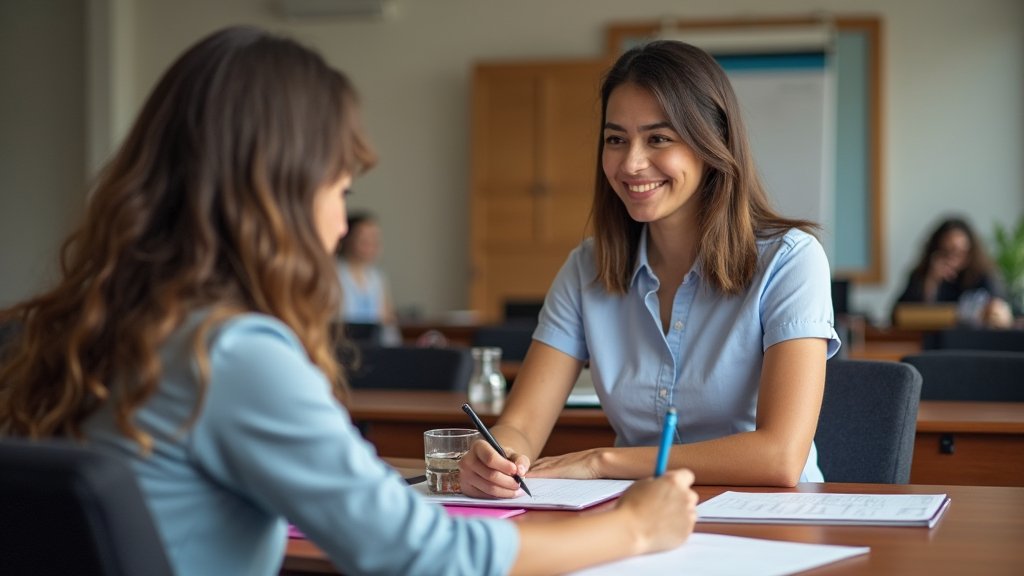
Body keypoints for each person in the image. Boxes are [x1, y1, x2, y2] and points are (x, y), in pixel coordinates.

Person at [0, 27, 697, 576]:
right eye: (338, 189)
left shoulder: (79, 329)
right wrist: (633, 527)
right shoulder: (232, 354)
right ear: (274, 195)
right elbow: (424, 558)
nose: (340, 224)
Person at [460, 40, 841, 497]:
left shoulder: (790, 260)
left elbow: (779, 457)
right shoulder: (587, 268)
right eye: (616, 139)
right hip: (639, 518)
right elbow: (522, 424)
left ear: (711, 144)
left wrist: (603, 462)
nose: (632, 163)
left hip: (767, 520)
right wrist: (499, 457)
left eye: (659, 139)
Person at [892, 217, 1013, 328]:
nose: (953, 258)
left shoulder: (983, 274)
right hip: (935, 345)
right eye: (946, 251)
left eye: (960, 252)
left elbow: (1007, 311)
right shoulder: (922, 276)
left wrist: (1001, 315)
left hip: (977, 344)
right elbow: (898, 316)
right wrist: (931, 282)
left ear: (971, 251)